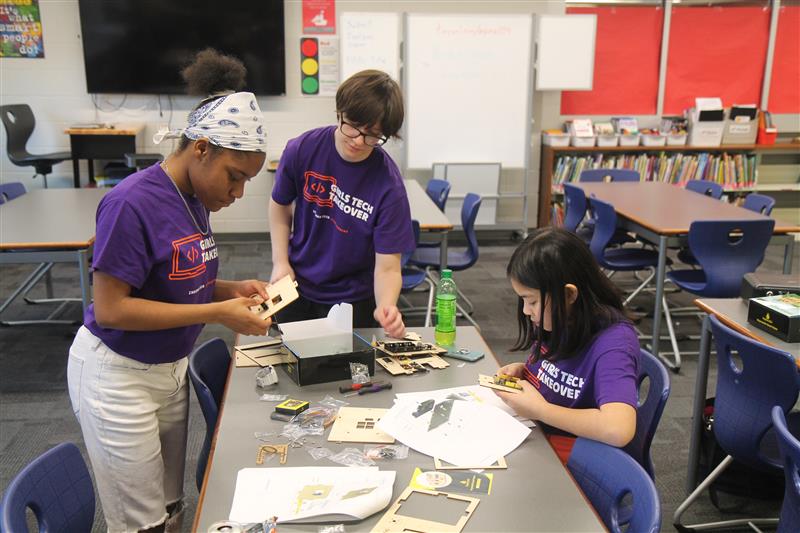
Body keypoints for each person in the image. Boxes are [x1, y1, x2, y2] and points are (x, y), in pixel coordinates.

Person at [67, 49, 270, 533]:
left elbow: (176, 280)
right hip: (118, 376)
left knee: (171, 507)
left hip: (168, 369)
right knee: (142, 523)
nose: (238, 192)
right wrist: (218, 311)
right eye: (235, 176)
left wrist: (229, 289)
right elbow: (112, 308)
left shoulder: (193, 197)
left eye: (247, 181)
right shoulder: (130, 203)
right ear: (201, 149)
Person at [269, 69, 415, 339]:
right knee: (288, 359)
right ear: (340, 112)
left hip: (352, 299)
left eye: (372, 135)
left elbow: (388, 266)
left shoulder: (389, 185)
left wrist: (386, 305)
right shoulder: (302, 149)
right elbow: (279, 206)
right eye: (353, 126)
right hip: (297, 285)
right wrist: (280, 261)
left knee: (348, 365)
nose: (358, 141)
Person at [494, 227, 639, 464]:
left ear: (569, 295)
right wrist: (526, 371)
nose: (526, 311)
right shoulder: (560, 319)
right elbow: (558, 372)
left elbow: (618, 429)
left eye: (532, 301)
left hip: (581, 456)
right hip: (544, 439)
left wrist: (539, 409)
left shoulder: (614, 343)